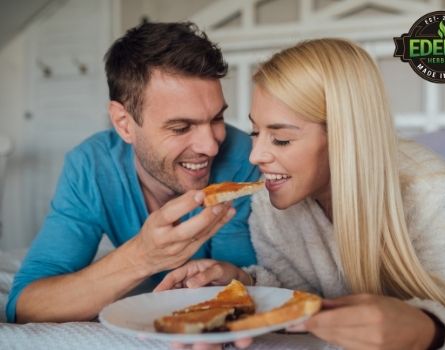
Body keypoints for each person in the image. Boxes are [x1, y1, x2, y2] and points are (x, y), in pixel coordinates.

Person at [157, 38, 445, 350]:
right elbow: (292, 289)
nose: (255, 157)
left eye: (280, 138)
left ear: (344, 137)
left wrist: (423, 331)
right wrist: (242, 281)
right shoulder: (267, 202)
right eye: (255, 132)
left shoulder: (427, 187)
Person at [6, 22, 259, 323]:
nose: (211, 146)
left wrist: (236, 277)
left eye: (216, 118)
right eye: (181, 127)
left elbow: (255, 282)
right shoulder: (91, 167)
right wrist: (143, 256)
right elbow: (25, 305)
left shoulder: (246, 158)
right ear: (124, 123)